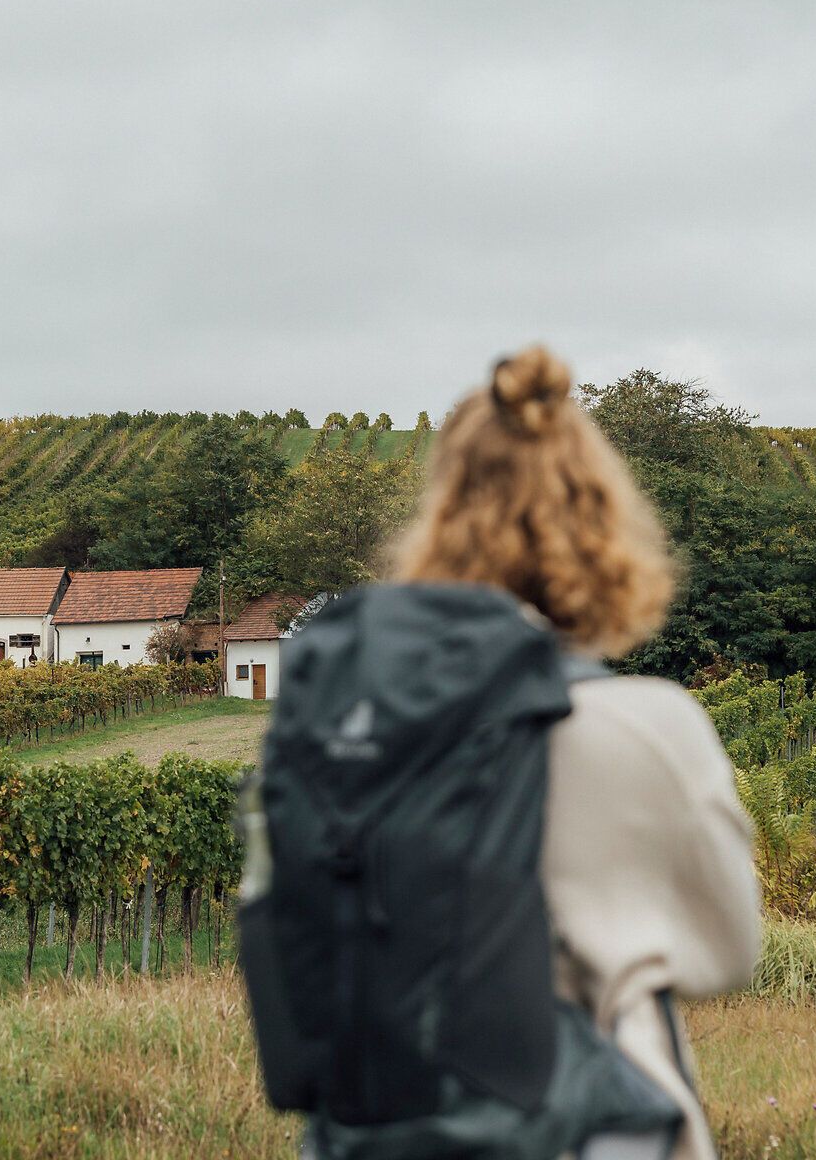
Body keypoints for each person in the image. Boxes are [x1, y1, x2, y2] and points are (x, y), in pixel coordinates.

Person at [241, 345, 760, 1160]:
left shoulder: (348, 727)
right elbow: (732, 951)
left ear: (438, 517)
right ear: (601, 519)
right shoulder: (645, 729)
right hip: (590, 1129)